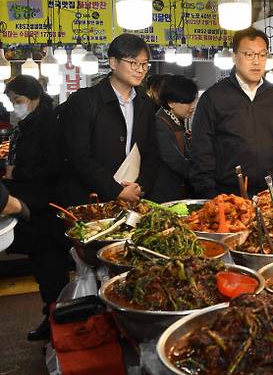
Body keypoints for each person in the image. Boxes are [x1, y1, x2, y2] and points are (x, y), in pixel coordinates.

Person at [190, 27, 273, 197]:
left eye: (262, 55)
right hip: (226, 194)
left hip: (269, 193)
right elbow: (201, 151)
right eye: (249, 54)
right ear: (235, 57)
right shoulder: (214, 97)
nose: (257, 61)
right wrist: (209, 194)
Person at [3, 75, 70, 341]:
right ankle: (52, 318)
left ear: (35, 97)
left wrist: (16, 172)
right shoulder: (26, 123)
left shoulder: (47, 126)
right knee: (42, 268)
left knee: (51, 269)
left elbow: (54, 167)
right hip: (31, 207)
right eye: (10, 100)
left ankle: (59, 322)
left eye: (17, 100)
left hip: (45, 208)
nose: (14, 105)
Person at [59, 34, 159, 206]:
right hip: (91, 201)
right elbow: (79, 155)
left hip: (132, 199)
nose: (141, 69)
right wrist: (116, 190)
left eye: (144, 64)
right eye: (134, 63)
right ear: (113, 63)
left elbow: (152, 153)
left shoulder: (146, 104)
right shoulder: (85, 100)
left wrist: (140, 187)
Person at [151, 75, 198, 202]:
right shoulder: (160, 124)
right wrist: (202, 173)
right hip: (165, 196)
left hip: (177, 191)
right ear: (171, 103)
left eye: (193, 100)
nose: (192, 106)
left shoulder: (176, 120)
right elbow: (175, 160)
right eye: (187, 102)